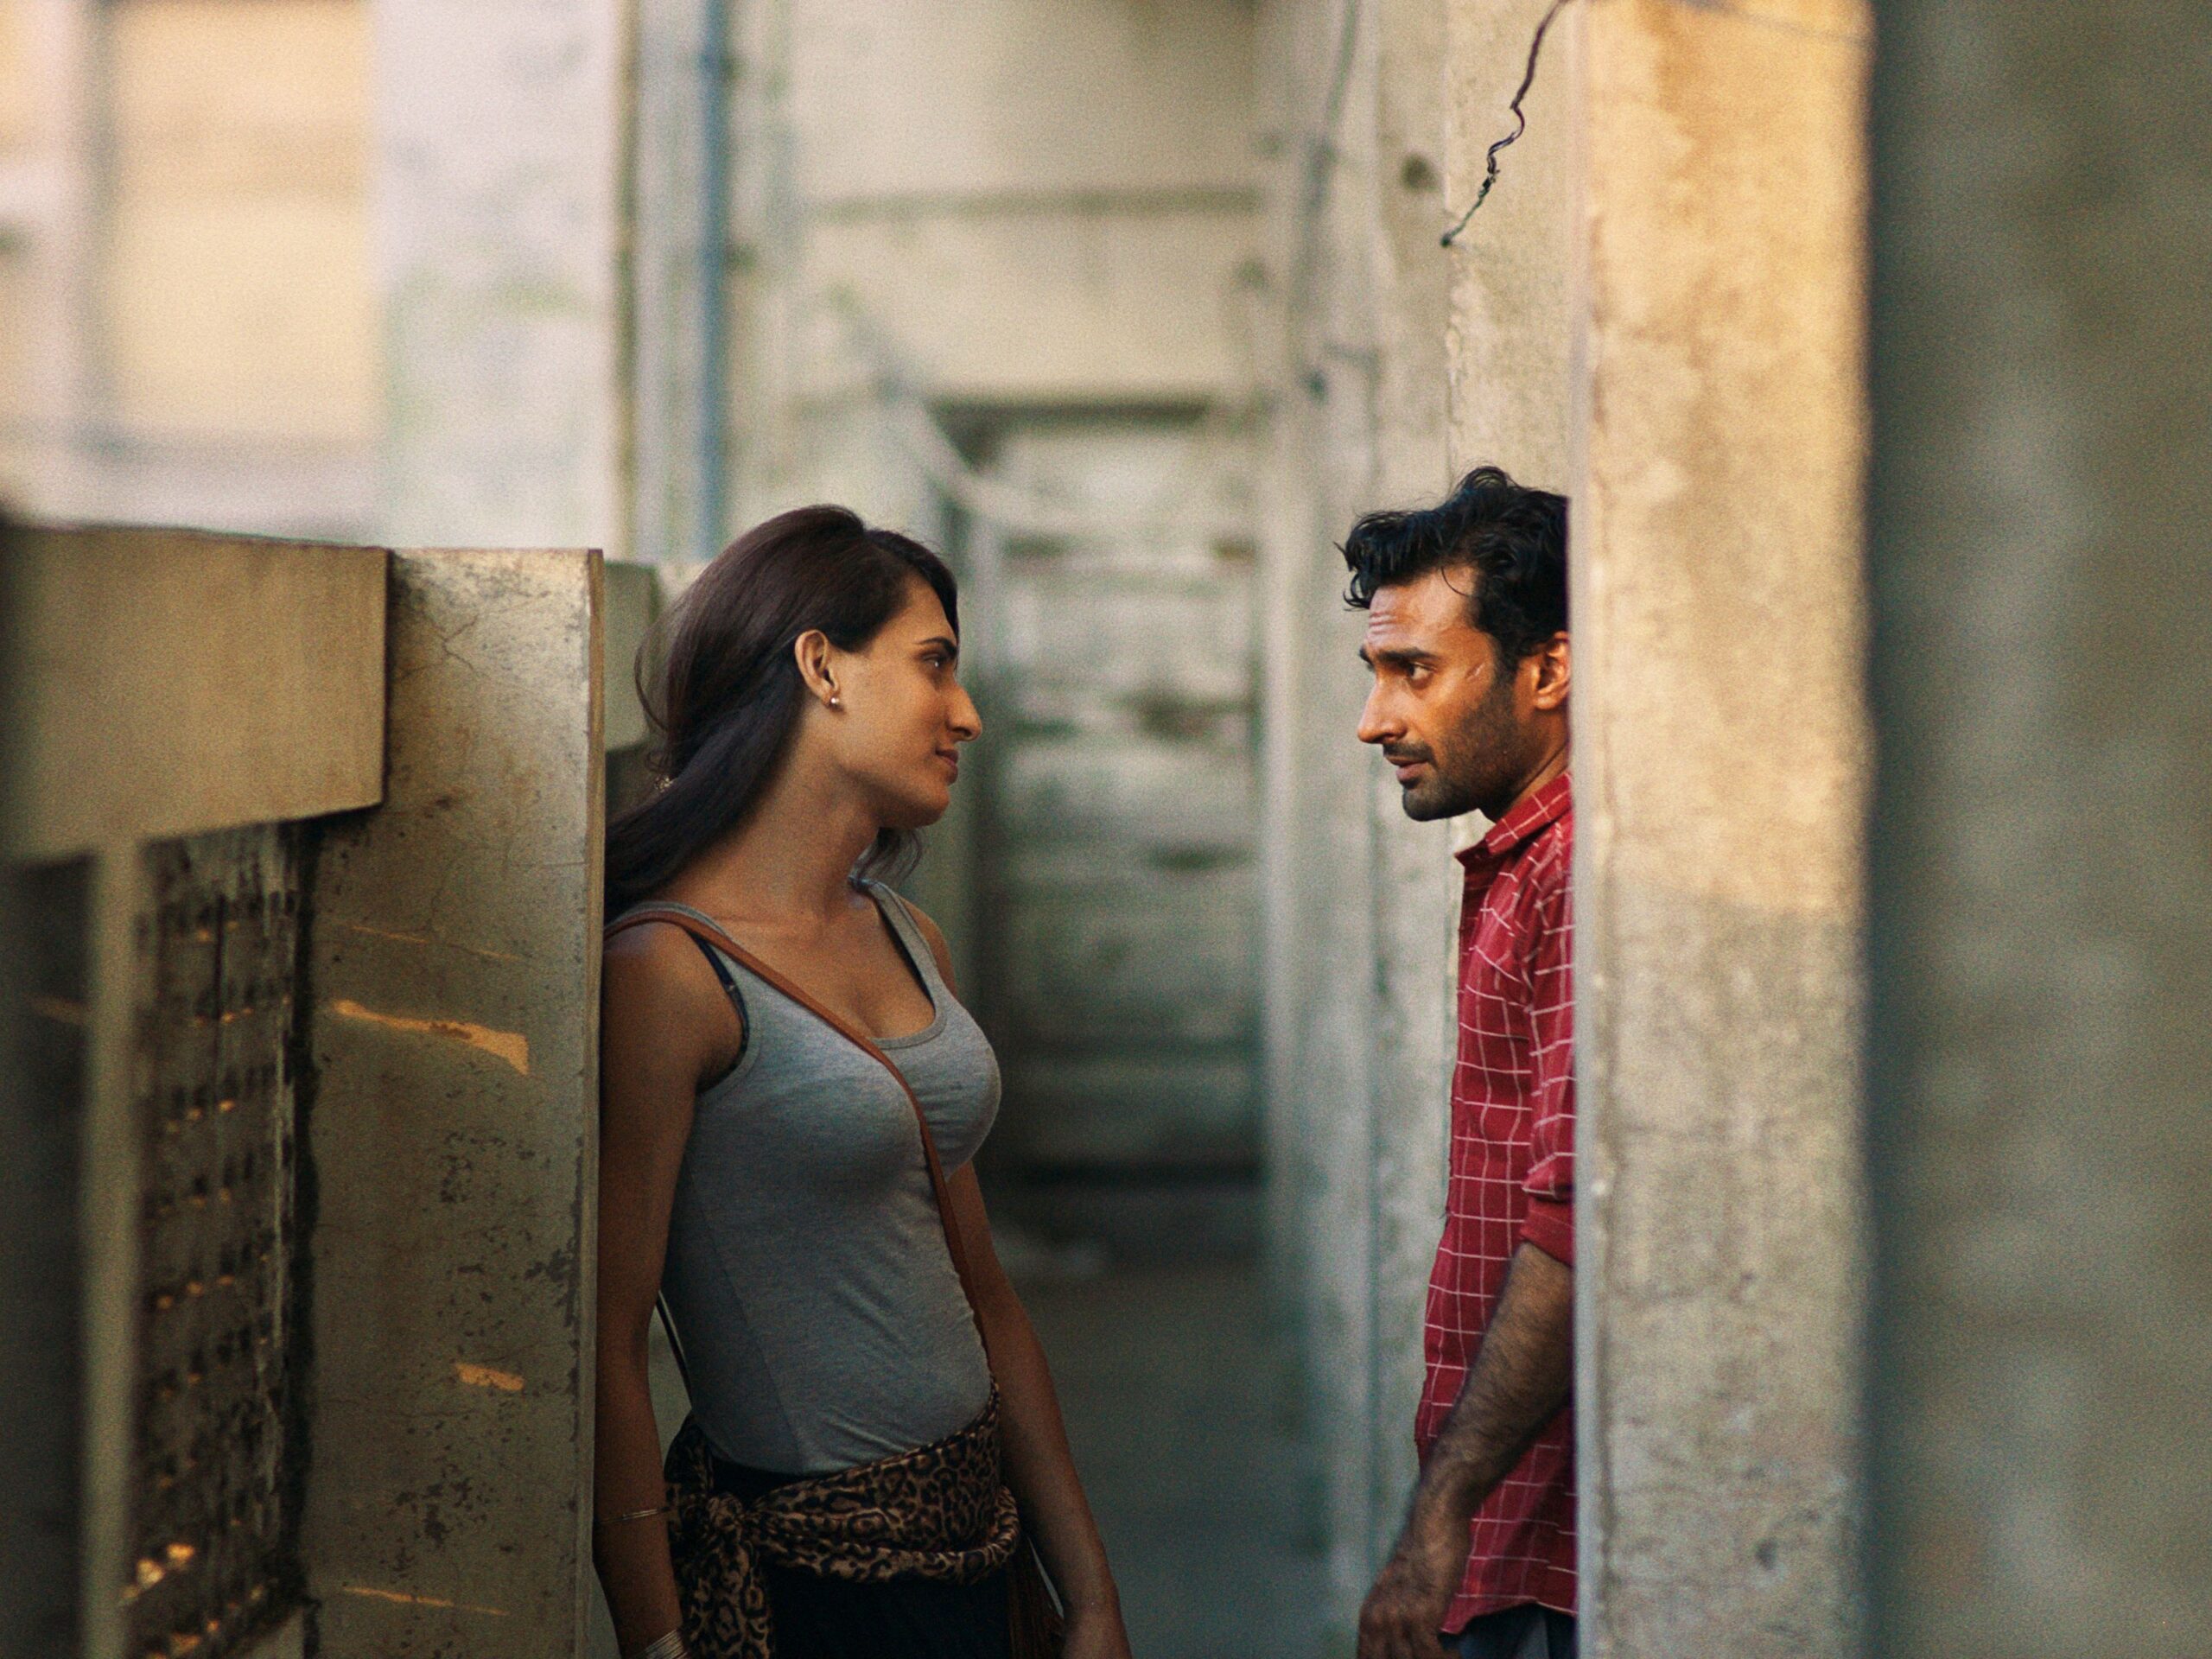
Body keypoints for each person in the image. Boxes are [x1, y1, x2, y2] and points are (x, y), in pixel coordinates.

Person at [593, 506, 1132, 1659]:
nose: (965, 712)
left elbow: (984, 1294)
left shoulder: (906, 936)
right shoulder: (666, 973)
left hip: (978, 1545)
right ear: (822, 667)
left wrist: (1088, 1593)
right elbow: (606, 1341)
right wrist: (655, 1638)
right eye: (935, 664)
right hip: (815, 1581)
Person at [1346, 468, 1576, 1659]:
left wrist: (1439, 1517)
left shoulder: (1578, 874)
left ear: (1547, 670)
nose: (1375, 719)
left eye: (1415, 671)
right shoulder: (1522, 864)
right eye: (1376, 672)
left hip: (1558, 1547)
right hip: (1516, 1524)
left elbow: (1574, 1225)